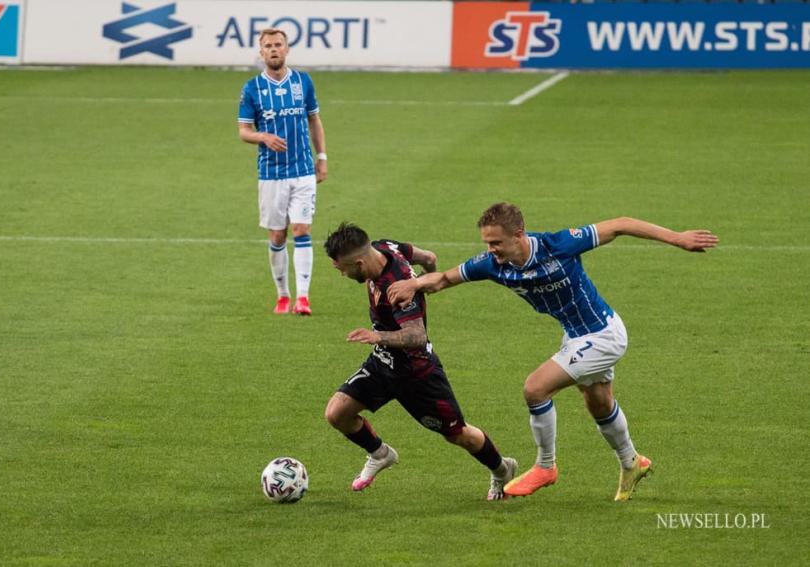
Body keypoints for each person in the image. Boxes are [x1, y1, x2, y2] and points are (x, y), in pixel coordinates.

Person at [388, 203, 718, 501]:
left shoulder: (557, 245)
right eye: (487, 243)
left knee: (535, 388)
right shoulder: (492, 265)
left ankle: (546, 467)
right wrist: (415, 284)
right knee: (599, 404)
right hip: (575, 336)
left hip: (603, 334)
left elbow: (621, 223)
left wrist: (679, 239)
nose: (490, 250)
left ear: (519, 235)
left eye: (496, 243)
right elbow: (445, 278)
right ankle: (632, 462)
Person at [323, 222, 518, 500]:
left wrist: (378, 335)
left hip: (417, 375)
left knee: (458, 434)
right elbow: (429, 258)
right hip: (383, 364)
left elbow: (416, 335)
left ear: (359, 262)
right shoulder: (383, 247)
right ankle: (380, 454)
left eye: (342, 269)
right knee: (337, 413)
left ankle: (502, 470)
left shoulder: (396, 288)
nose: (342, 274)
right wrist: (427, 282)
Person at [238, 28, 327, 316]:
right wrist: (263, 137)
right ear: (261, 52)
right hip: (271, 175)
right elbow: (243, 131)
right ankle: (283, 296)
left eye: (278, 45)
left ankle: (303, 298)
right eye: (268, 46)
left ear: (287, 50)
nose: (274, 49)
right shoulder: (252, 88)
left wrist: (322, 157)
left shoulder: (303, 81)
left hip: (302, 171)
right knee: (277, 236)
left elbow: (314, 120)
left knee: (302, 229)